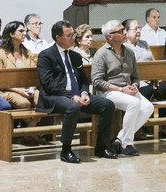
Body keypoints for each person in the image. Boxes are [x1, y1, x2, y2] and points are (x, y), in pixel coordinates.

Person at [36, 20, 117, 163]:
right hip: (55, 96)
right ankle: (66, 150)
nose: (73, 38)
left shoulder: (75, 56)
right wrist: (72, 96)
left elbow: (84, 81)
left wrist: (84, 93)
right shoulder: (46, 56)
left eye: (73, 34)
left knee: (107, 105)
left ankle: (102, 147)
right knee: (72, 107)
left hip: (77, 95)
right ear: (57, 37)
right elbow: (48, 85)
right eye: (69, 35)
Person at [91, 20, 154, 156]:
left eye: (123, 30)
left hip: (127, 90)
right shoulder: (101, 54)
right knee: (134, 103)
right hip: (109, 92)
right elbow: (97, 81)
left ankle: (119, 139)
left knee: (148, 107)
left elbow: (135, 76)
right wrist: (120, 90)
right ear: (109, 36)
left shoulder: (129, 52)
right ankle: (127, 144)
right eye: (119, 31)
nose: (124, 33)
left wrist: (135, 85)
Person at [123, 19, 166, 138]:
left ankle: (164, 125)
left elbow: (152, 62)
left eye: (139, 28)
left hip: (151, 79)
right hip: (135, 81)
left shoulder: (144, 44)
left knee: (165, 89)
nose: (138, 31)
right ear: (125, 32)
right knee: (146, 90)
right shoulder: (123, 48)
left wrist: (155, 77)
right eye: (135, 29)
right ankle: (138, 127)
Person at [0, 21, 38, 109]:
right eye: (21, 31)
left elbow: (34, 74)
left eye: (24, 31)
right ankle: (31, 123)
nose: (24, 33)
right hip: (7, 89)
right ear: (12, 34)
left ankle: (33, 122)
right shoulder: (0, 53)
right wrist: (20, 91)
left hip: (28, 88)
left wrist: (32, 89)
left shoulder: (28, 52)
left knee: (43, 101)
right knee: (25, 103)